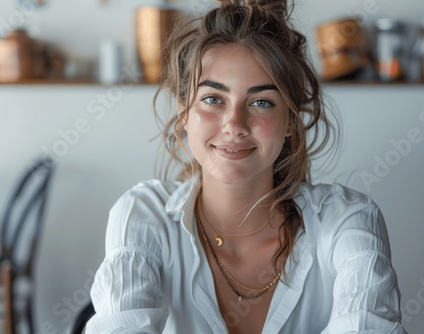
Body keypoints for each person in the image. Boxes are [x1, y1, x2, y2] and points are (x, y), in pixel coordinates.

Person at [86, 0, 407, 333]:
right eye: (213, 99)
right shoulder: (143, 214)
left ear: (289, 121)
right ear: (183, 113)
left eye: (261, 102)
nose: (234, 124)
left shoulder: (346, 220)